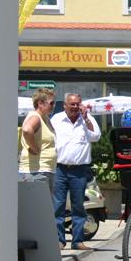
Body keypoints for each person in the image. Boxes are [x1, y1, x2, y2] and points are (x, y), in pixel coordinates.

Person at [51, 92, 101, 250]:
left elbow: (96, 136)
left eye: (78, 104)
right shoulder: (56, 119)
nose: (75, 107)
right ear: (65, 105)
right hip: (59, 168)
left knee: (78, 206)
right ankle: (59, 240)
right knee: (57, 206)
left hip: (79, 170)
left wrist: (86, 118)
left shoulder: (87, 119)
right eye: (71, 104)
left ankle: (77, 241)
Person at [19, 88, 56, 191]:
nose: (53, 106)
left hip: (43, 170)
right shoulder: (36, 117)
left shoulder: (45, 118)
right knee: (39, 207)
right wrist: (34, 147)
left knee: (44, 206)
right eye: (51, 103)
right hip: (37, 172)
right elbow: (27, 130)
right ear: (40, 103)